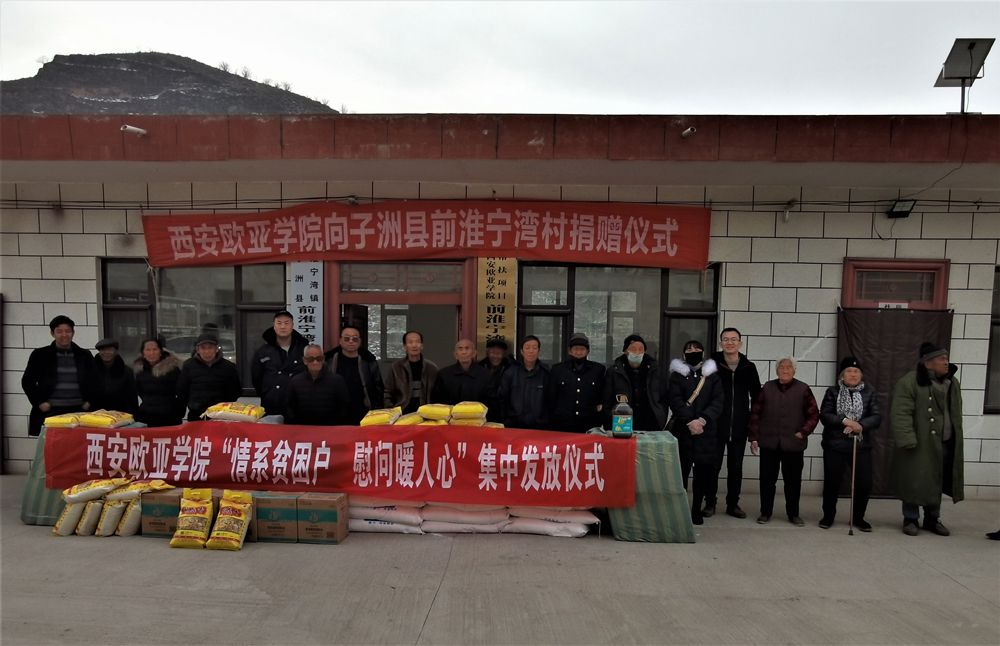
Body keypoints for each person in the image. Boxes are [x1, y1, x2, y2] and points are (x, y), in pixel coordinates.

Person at [891, 342, 965, 537]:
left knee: (936, 480)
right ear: (928, 362)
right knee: (914, 479)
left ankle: (932, 519)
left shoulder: (951, 382)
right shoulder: (909, 381)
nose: (946, 362)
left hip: (945, 442)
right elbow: (901, 412)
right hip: (920, 442)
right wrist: (907, 439)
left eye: (946, 359)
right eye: (942, 359)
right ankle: (910, 518)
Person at [749, 357, 819, 526]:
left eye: (789, 367)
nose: (785, 370)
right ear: (777, 370)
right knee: (767, 480)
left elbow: (814, 414)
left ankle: (793, 514)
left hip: (793, 444)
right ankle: (765, 512)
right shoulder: (767, 388)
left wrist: (804, 432)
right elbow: (755, 413)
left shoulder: (803, 389)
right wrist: (753, 437)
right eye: (782, 367)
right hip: (769, 442)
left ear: (794, 370)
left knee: (793, 482)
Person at [819, 356, 882, 531]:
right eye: (849, 371)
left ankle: (858, 518)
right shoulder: (832, 392)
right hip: (835, 445)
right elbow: (825, 415)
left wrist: (860, 425)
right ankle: (828, 516)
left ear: (860, 375)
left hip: (860, 445)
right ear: (842, 375)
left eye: (856, 371)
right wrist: (845, 421)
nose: (853, 374)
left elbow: (876, 416)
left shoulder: (869, 392)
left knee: (864, 483)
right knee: (832, 482)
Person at [705, 327, 761, 519]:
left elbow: (757, 398)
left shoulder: (749, 367)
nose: (729, 342)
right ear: (721, 343)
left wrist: (754, 428)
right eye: (726, 339)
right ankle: (710, 502)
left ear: (740, 343)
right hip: (715, 425)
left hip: (739, 425)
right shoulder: (712, 365)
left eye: (733, 339)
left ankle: (733, 504)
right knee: (713, 466)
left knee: (735, 468)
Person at [667, 340, 723, 525]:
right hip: (683, 431)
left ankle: (696, 509)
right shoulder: (677, 376)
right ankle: (680, 509)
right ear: (684, 354)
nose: (693, 351)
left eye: (697, 348)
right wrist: (690, 421)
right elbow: (674, 400)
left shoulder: (712, 376)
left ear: (703, 352)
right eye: (689, 349)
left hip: (706, 432)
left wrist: (702, 420)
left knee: (702, 473)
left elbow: (718, 401)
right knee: (681, 472)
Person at [21, 315, 98, 436]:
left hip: (79, 412)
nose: (64, 335)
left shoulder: (84, 355)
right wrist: (39, 403)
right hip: (50, 412)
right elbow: (27, 382)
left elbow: (95, 381)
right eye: (59, 331)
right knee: (50, 446)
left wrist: (89, 402)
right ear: (52, 333)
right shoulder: (40, 355)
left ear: (73, 333)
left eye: (68, 331)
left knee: (77, 445)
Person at [251, 309, 308, 417]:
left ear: (292, 325)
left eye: (286, 323)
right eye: (279, 323)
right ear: (274, 326)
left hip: (298, 405)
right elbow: (257, 379)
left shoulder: (304, 349)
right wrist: (269, 393)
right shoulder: (262, 352)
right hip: (272, 405)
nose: (283, 326)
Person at [606, 334, 667, 433]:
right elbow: (607, 400)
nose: (637, 353)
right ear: (625, 351)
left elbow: (663, 397)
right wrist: (609, 420)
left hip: (650, 423)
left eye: (640, 349)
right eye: (633, 349)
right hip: (621, 423)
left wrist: (661, 415)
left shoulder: (655, 370)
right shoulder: (614, 371)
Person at [325, 326, 384, 425]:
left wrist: (378, 410)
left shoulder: (368, 361)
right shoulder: (329, 361)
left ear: (360, 341)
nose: (351, 341)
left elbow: (378, 387)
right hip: (335, 412)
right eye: (347, 339)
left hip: (362, 411)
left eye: (355, 339)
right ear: (340, 341)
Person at [176, 333, 242, 421]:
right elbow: (182, 391)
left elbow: (235, 391)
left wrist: (222, 405)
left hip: (221, 415)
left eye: (210, 348)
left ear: (216, 349)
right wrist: (182, 411)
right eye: (203, 348)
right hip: (196, 415)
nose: (207, 351)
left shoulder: (228, 367)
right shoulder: (189, 366)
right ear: (198, 350)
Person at [550, 333, 606, 433]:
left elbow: (602, 397)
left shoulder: (598, 370)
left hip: (589, 425)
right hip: (562, 425)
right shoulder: (558, 370)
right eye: (575, 349)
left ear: (587, 351)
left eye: (582, 349)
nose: (579, 352)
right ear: (570, 351)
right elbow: (551, 397)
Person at [285, 344, 351, 425]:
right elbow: (290, 407)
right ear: (304, 360)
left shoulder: (337, 381)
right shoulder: (295, 381)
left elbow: (344, 407)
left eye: (319, 359)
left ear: (323, 359)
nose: (315, 362)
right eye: (311, 359)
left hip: (330, 428)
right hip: (303, 428)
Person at [499, 335, 551, 429]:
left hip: (540, 427)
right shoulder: (510, 372)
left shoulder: (546, 374)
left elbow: (550, 401)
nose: (531, 351)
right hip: (514, 426)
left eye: (534, 348)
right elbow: (502, 399)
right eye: (527, 348)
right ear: (522, 351)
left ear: (539, 351)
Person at [133, 336, 185, 427]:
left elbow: (182, 392)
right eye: (148, 350)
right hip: (146, 417)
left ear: (160, 352)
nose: (151, 353)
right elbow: (140, 392)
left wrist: (179, 411)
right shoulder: (139, 371)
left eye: (155, 349)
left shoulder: (172, 369)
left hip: (170, 417)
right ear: (143, 353)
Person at [384, 330, 439, 414]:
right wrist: (391, 411)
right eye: (410, 342)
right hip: (402, 412)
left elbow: (438, 394)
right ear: (405, 346)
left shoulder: (432, 368)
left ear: (422, 346)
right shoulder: (396, 368)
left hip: (426, 413)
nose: (414, 345)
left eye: (417, 342)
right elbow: (388, 392)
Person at [433, 338, 491, 406]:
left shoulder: (485, 374)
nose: (464, 352)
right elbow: (437, 401)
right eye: (460, 349)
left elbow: (490, 401)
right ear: (455, 355)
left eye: (467, 348)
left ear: (474, 353)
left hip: (478, 412)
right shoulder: (444, 374)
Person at [92, 338, 138, 413]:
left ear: (116, 352)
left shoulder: (126, 371)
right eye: (103, 350)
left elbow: (132, 396)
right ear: (99, 352)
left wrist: (134, 414)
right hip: (96, 414)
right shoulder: (91, 370)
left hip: (120, 413)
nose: (106, 352)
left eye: (110, 350)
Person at [479, 338, 513, 423]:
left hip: (503, 413)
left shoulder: (510, 368)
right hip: (483, 413)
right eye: (492, 353)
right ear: (487, 353)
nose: (495, 356)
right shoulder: (480, 366)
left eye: (499, 353)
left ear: (504, 354)